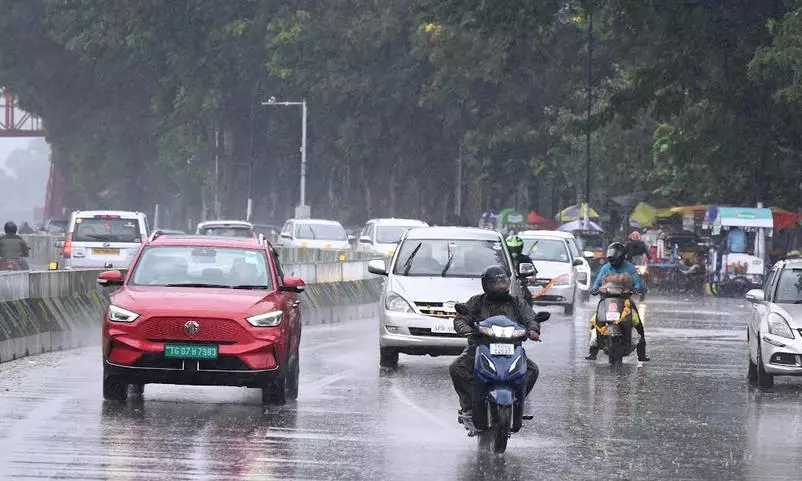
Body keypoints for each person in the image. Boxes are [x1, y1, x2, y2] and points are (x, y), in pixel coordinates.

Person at [449, 265, 547, 418]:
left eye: (503, 282)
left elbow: (531, 318)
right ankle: (469, 405)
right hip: (480, 347)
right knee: (457, 368)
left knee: (532, 369)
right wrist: (463, 327)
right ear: (486, 284)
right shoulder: (477, 301)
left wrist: (533, 329)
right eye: (496, 283)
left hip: (512, 348)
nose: (501, 287)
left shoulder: (517, 303)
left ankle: (517, 402)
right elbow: (461, 317)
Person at [585, 242, 650, 362]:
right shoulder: (605, 268)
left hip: (625, 301)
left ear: (622, 257)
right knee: (595, 322)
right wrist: (594, 288)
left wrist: (637, 288)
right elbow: (598, 281)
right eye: (611, 258)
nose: (613, 260)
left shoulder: (629, 268)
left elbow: (637, 281)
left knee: (638, 324)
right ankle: (592, 351)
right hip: (606, 300)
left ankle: (642, 354)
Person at [506, 235, 537, 305]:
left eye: (516, 249)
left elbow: (533, 274)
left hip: (520, 286)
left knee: (527, 296)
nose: (514, 251)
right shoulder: (503, 259)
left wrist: (532, 278)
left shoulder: (526, 259)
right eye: (512, 249)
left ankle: (528, 315)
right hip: (505, 286)